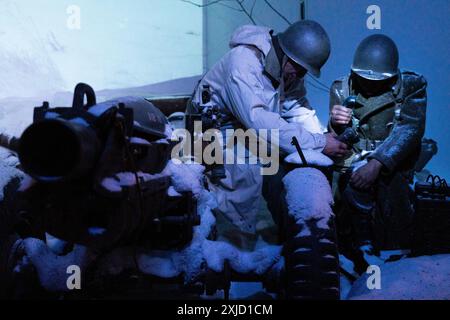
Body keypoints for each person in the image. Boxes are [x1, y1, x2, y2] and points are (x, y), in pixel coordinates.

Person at [187, 20, 347, 299]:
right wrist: (320, 142)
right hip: (209, 131)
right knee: (244, 173)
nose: (298, 76)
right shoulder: (243, 63)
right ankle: (235, 258)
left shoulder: (288, 69)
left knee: (288, 160)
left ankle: (285, 245)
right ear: (285, 54)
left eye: (303, 71)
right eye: (297, 69)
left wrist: (319, 144)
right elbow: (259, 120)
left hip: (243, 125)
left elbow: (298, 109)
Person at [328, 34, 427, 273]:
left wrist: (377, 162)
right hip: (354, 158)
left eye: (378, 81)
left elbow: (410, 129)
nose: (370, 85)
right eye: (364, 79)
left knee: (395, 198)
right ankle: (361, 249)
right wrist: (336, 123)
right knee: (351, 189)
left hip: (393, 161)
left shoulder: (411, 86)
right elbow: (338, 140)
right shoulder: (342, 88)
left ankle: (395, 257)